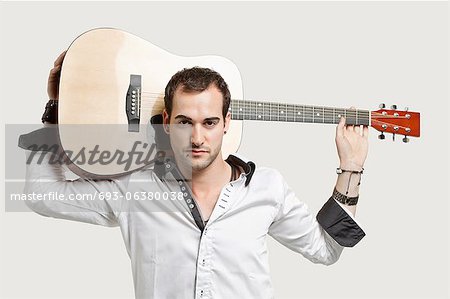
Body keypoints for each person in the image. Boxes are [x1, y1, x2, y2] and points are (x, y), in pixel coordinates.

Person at [22, 51, 368, 299]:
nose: (197, 138)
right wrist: (56, 108)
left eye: (210, 122)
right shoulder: (135, 188)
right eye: (185, 122)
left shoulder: (268, 188)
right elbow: (42, 195)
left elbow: (326, 249)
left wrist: (350, 167)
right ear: (168, 122)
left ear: (227, 124)